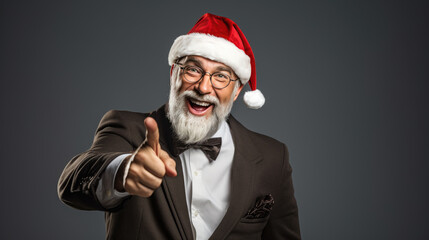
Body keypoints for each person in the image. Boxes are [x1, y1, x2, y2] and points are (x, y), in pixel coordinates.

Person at [58, 13, 301, 240]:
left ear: (237, 91)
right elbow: (71, 184)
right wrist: (122, 171)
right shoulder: (126, 127)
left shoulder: (272, 157)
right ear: (174, 72)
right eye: (193, 70)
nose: (204, 88)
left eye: (221, 76)